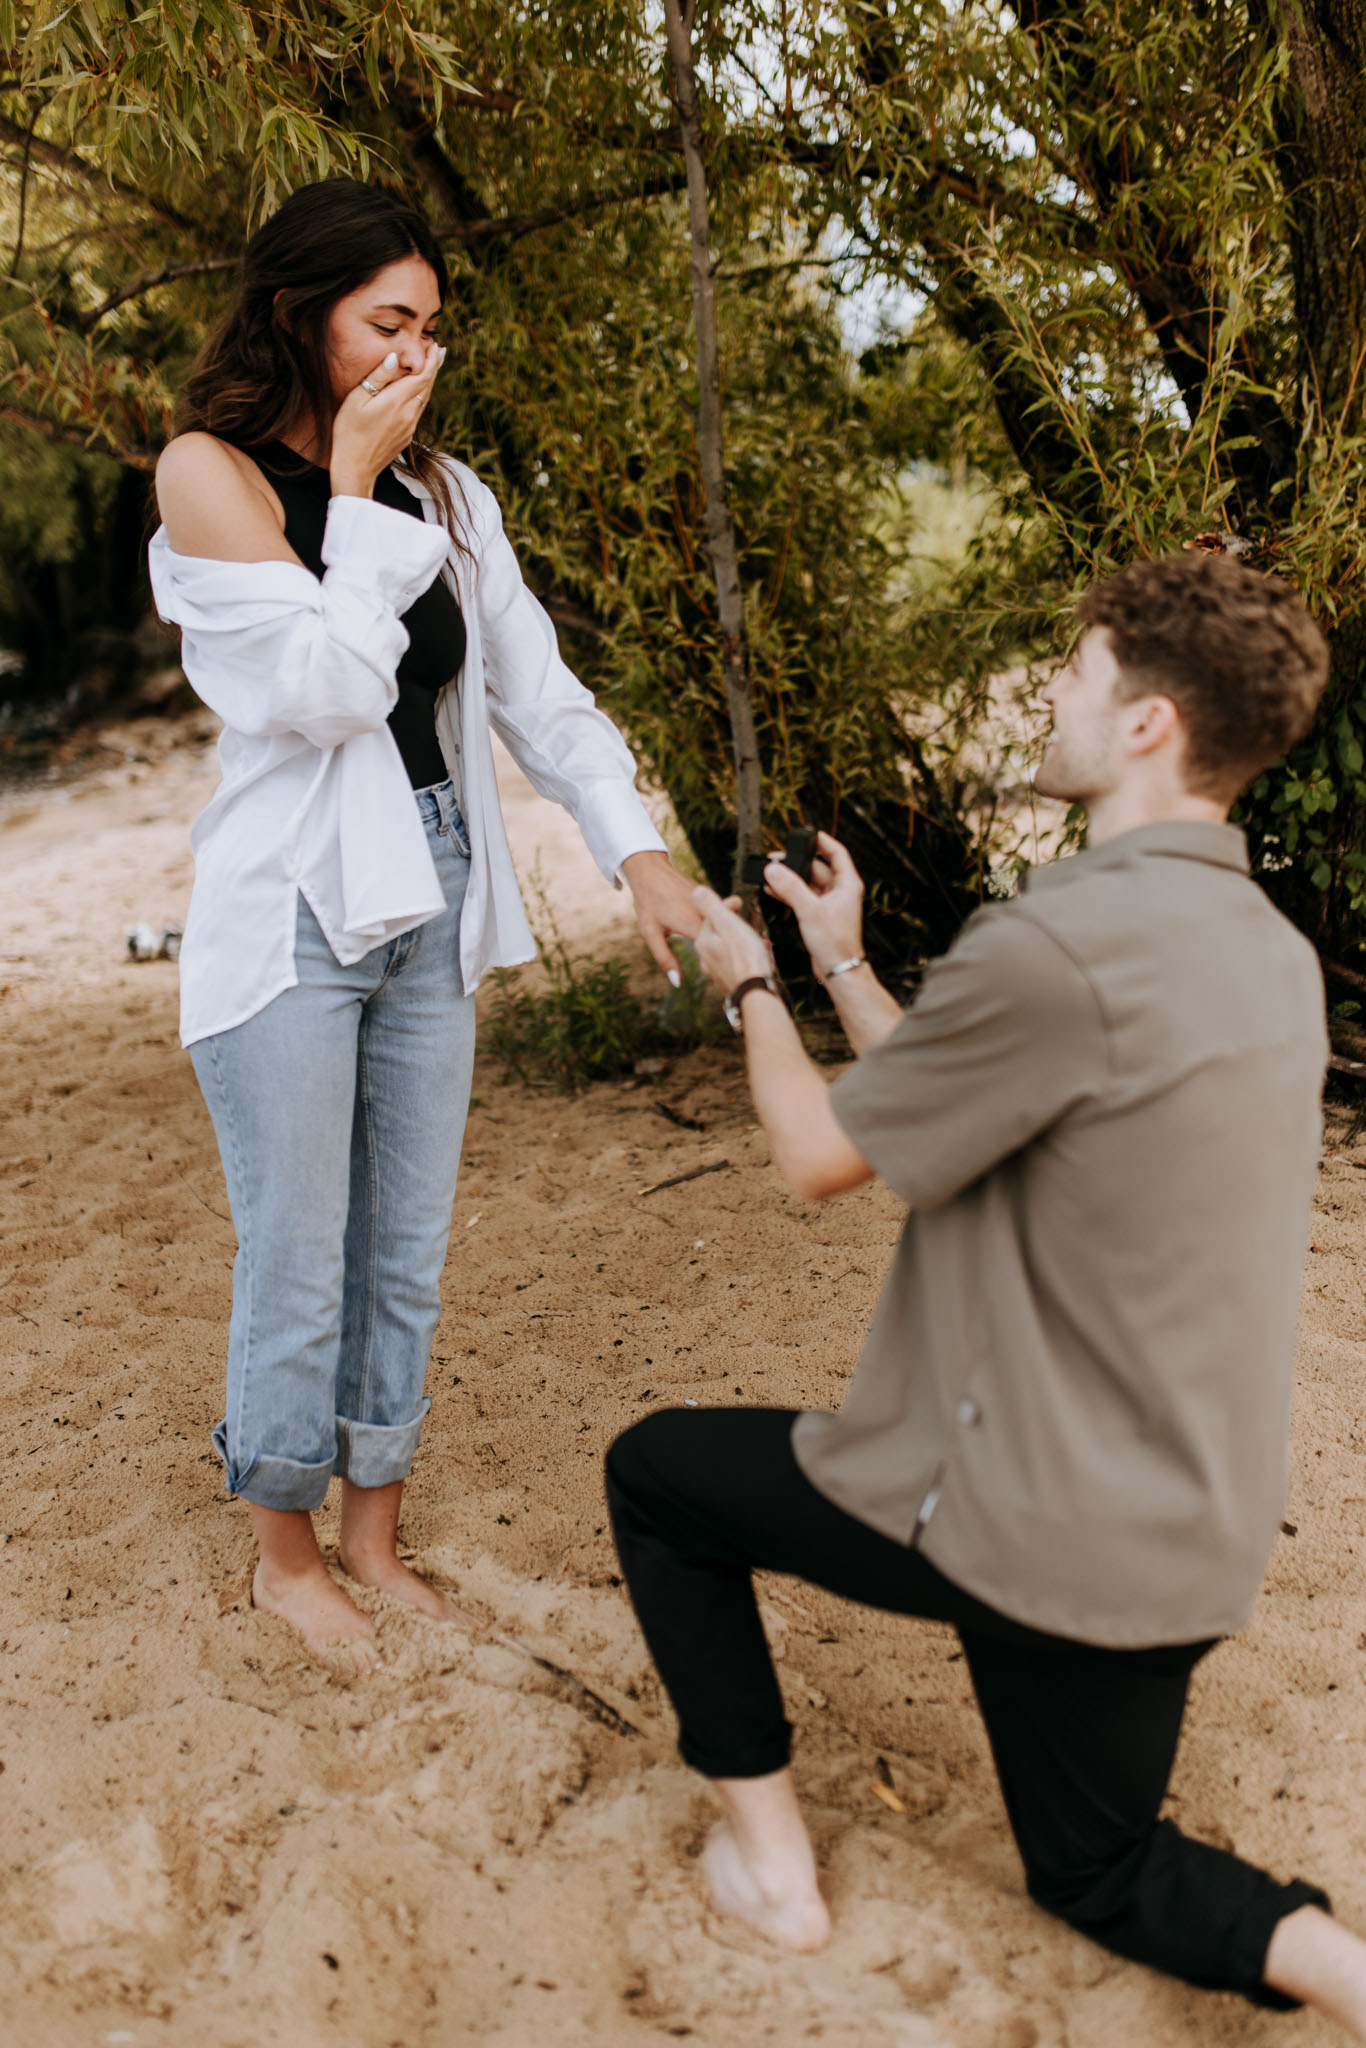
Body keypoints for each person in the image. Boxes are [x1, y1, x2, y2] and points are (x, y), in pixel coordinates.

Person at [605, 552, 1366, 2030]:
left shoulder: (1058, 938)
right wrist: (840, 969)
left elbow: (827, 1156)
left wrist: (747, 983)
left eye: (1075, 674)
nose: (1052, 694)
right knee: (1098, 1871)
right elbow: (982, 1101)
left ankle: (770, 1869)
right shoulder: (1264, 955)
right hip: (1174, 1548)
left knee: (660, 1477)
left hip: (1020, 1520)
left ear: (1144, 723)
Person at [150, 178, 698, 1666]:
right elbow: (325, 691)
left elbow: (536, 693)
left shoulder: (448, 500)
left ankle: (373, 1533)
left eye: (431, 329)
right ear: (295, 312)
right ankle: (284, 1553)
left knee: (405, 1249)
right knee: (296, 1246)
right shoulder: (212, 476)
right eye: (387, 323)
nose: (416, 355)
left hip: (436, 884)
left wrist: (635, 852)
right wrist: (349, 488)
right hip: (295, 914)